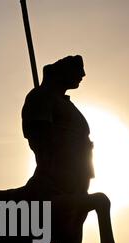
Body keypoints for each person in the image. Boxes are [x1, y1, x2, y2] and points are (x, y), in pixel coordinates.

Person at [22, 55, 94, 197]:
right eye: (77, 70)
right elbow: (39, 134)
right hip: (56, 177)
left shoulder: (65, 103)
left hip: (78, 177)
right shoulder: (40, 96)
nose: (83, 75)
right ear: (63, 72)